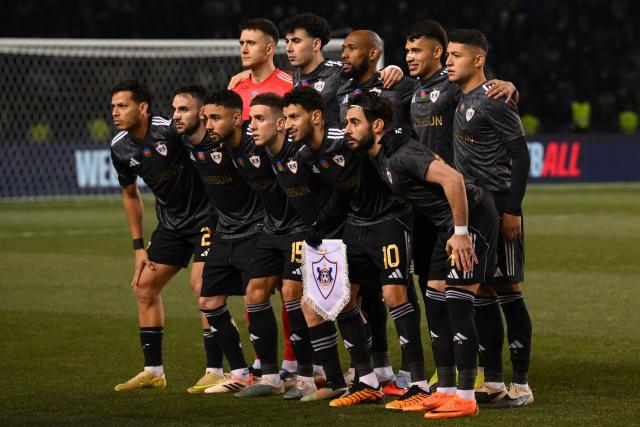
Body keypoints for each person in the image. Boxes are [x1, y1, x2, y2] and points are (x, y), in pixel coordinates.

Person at [344, 92, 499, 419]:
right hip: (446, 225)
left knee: (457, 302)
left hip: (471, 219)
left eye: (354, 122)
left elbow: (453, 178)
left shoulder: (400, 154)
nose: (348, 128)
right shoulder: (382, 152)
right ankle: (443, 391)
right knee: (435, 298)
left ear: (378, 125)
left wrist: (461, 233)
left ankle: (466, 396)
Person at [404, 20, 518, 390]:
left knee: (474, 288)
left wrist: (510, 86)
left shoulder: (454, 87)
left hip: (463, 202)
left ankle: (484, 372)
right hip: (425, 204)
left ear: (439, 53)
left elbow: (487, 94)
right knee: (433, 285)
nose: (409, 57)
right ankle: (450, 367)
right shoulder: (411, 89)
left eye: (416, 50)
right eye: (405, 52)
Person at [109, 80, 217, 392]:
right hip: (171, 224)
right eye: (113, 106)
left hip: (207, 218)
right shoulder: (120, 147)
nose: (115, 112)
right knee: (144, 287)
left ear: (143, 108)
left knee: (203, 287)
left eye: (123, 105)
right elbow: (130, 195)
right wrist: (138, 247)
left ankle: (216, 370)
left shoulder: (170, 130)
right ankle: (154, 371)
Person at [447, 29, 533, 408]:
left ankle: (522, 386)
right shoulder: (460, 97)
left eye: (456, 55)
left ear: (478, 60)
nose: (449, 61)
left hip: (499, 206)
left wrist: (512, 210)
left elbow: (522, 156)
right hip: (473, 210)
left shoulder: (495, 100)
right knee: (480, 290)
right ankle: (494, 380)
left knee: (508, 289)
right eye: (447, 54)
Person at [227, 92, 320, 400]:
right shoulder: (257, 151)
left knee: (293, 292)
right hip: (271, 229)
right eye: (250, 118)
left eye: (259, 119)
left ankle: (306, 374)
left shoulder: (302, 153)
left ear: (280, 124)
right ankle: (270, 375)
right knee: (254, 292)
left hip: (300, 229)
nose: (251, 125)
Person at [188, 89, 266, 393]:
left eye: (214, 118)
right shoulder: (209, 144)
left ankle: (278, 372)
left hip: (256, 230)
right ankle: (241, 372)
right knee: (208, 300)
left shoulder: (255, 145)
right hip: (225, 231)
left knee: (260, 299)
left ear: (237, 119)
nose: (208, 125)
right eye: (205, 118)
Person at [232, 18, 293, 121]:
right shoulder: (235, 87)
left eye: (251, 43)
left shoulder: (292, 86)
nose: (244, 50)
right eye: (242, 43)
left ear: (269, 49)